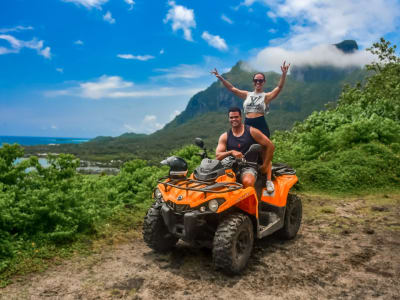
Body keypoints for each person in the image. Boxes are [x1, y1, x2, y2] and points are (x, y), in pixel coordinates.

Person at [211, 61, 290, 192]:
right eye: (256, 80)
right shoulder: (247, 95)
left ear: (264, 82)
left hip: (260, 123)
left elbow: (279, 88)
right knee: (248, 151)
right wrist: (220, 78)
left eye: (260, 80)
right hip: (247, 124)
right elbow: (232, 89)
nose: (258, 82)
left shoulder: (266, 96)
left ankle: (268, 180)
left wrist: (284, 74)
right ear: (253, 82)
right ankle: (245, 174)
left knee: (265, 151)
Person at [216, 107, 275, 189]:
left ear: (241, 117)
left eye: (236, 117)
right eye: (231, 117)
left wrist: (265, 165)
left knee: (247, 182)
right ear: (229, 119)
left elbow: (270, 145)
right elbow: (218, 156)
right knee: (216, 183)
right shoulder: (225, 136)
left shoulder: (251, 131)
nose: (234, 119)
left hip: (249, 166)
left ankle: (250, 200)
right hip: (231, 167)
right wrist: (231, 152)